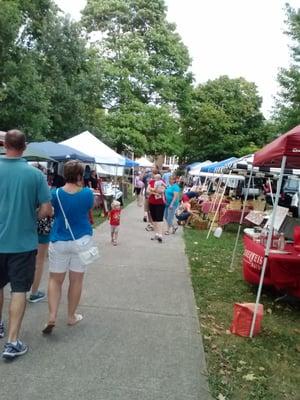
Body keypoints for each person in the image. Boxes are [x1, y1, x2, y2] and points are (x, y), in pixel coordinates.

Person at [0, 130, 52, 359]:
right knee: (19, 290)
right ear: (25, 146)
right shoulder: (35, 175)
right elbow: (46, 209)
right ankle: (12, 342)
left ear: (3, 144)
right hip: (22, 243)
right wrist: (31, 217)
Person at [42, 160, 94, 334]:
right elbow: (89, 209)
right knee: (76, 280)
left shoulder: (55, 193)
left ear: (64, 174)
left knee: (55, 280)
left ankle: (52, 315)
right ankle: (71, 316)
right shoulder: (87, 193)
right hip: (82, 241)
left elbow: (50, 211)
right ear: (81, 175)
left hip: (59, 240)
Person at [147, 171, 166, 242]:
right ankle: (156, 234)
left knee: (159, 218)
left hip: (160, 203)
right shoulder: (151, 181)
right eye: (154, 175)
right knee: (154, 218)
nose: (155, 176)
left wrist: (153, 191)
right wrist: (154, 192)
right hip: (152, 202)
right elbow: (147, 191)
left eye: (156, 175)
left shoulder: (162, 181)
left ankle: (160, 235)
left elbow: (162, 191)